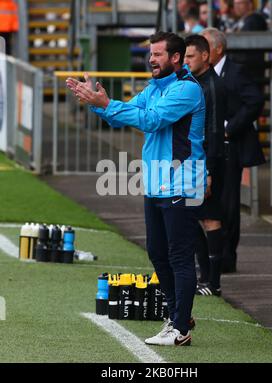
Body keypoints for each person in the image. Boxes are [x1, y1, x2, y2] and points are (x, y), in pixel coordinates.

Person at [66, 31, 206, 346]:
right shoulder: (154, 88)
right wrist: (98, 104)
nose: (151, 59)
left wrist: (107, 104)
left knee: (179, 256)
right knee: (158, 253)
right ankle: (179, 313)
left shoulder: (187, 90)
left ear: (175, 58)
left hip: (182, 182)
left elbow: (152, 120)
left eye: (158, 54)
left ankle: (180, 328)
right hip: (157, 182)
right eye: (151, 54)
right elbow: (124, 116)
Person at [201, 27, 265, 272]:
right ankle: (213, 254)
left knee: (228, 202)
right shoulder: (202, 75)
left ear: (218, 49)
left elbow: (255, 101)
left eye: (207, 46)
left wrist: (230, 127)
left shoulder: (236, 72)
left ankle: (227, 258)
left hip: (231, 147)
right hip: (211, 149)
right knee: (210, 200)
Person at [184, 34, 226, 296]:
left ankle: (214, 282)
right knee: (192, 217)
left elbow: (213, 131)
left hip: (208, 162)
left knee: (210, 219)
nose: (186, 61)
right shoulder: (196, 83)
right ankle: (206, 276)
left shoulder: (212, 86)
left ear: (205, 56)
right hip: (195, 161)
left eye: (190, 56)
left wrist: (207, 172)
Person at [231, 0, 268, 83]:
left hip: (250, 70)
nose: (236, 6)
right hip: (242, 69)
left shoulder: (254, 19)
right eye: (235, 3)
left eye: (240, 3)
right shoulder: (241, 21)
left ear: (250, 5)